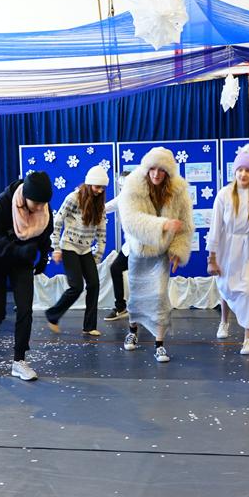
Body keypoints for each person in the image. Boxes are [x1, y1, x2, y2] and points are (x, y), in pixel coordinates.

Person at [0, 172, 53, 381]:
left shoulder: (43, 208)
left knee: (25, 309)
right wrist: (18, 250)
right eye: (36, 203)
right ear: (25, 196)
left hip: (22, 261)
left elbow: (45, 234)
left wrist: (43, 256)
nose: (40, 208)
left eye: (43, 204)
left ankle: (19, 361)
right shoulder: (4, 203)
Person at [118, 147, 193, 363]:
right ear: (146, 168)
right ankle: (133, 330)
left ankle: (159, 344)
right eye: (152, 169)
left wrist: (178, 250)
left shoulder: (179, 191)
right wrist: (163, 224)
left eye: (161, 170)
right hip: (140, 250)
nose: (156, 174)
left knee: (160, 296)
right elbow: (130, 221)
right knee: (137, 295)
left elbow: (185, 224)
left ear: (168, 172)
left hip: (161, 252)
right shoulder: (133, 185)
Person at [206, 144, 249, 355]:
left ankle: (248, 338)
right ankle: (224, 321)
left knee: (247, 290)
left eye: (248, 170)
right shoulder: (224, 194)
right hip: (227, 246)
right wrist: (212, 258)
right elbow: (215, 228)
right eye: (240, 169)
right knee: (226, 285)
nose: (243, 174)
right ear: (234, 171)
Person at [46, 164, 108, 336]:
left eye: (102, 188)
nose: (100, 191)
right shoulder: (73, 198)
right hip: (69, 247)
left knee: (94, 284)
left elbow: (101, 231)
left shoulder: (99, 204)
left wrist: (98, 254)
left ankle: (89, 326)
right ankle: (52, 314)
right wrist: (56, 248)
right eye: (97, 187)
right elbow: (57, 222)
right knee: (77, 286)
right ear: (89, 185)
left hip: (85, 249)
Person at [103, 171, 131, 321]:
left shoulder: (144, 199)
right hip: (130, 247)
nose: (123, 189)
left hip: (145, 247)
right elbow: (105, 208)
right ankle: (121, 307)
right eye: (121, 186)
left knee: (142, 277)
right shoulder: (122, 198)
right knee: (115, 268)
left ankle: (146, 310)